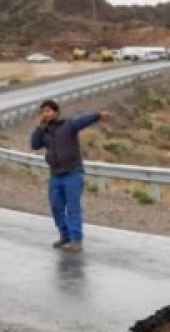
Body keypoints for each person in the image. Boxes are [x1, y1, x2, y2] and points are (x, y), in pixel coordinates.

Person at [30, 99, 111, 252]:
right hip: (55, 175)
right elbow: (34, 145)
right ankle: (65, 235)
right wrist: (39, 127)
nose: (45, 114)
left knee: (73, 207)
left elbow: (83, 120)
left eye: (48, 111)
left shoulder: (68, 125)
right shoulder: (44, 132)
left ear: (56, 112)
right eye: (43, 112)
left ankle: (76, 239)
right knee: (56, 206)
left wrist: (98, 115)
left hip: (72, 173)